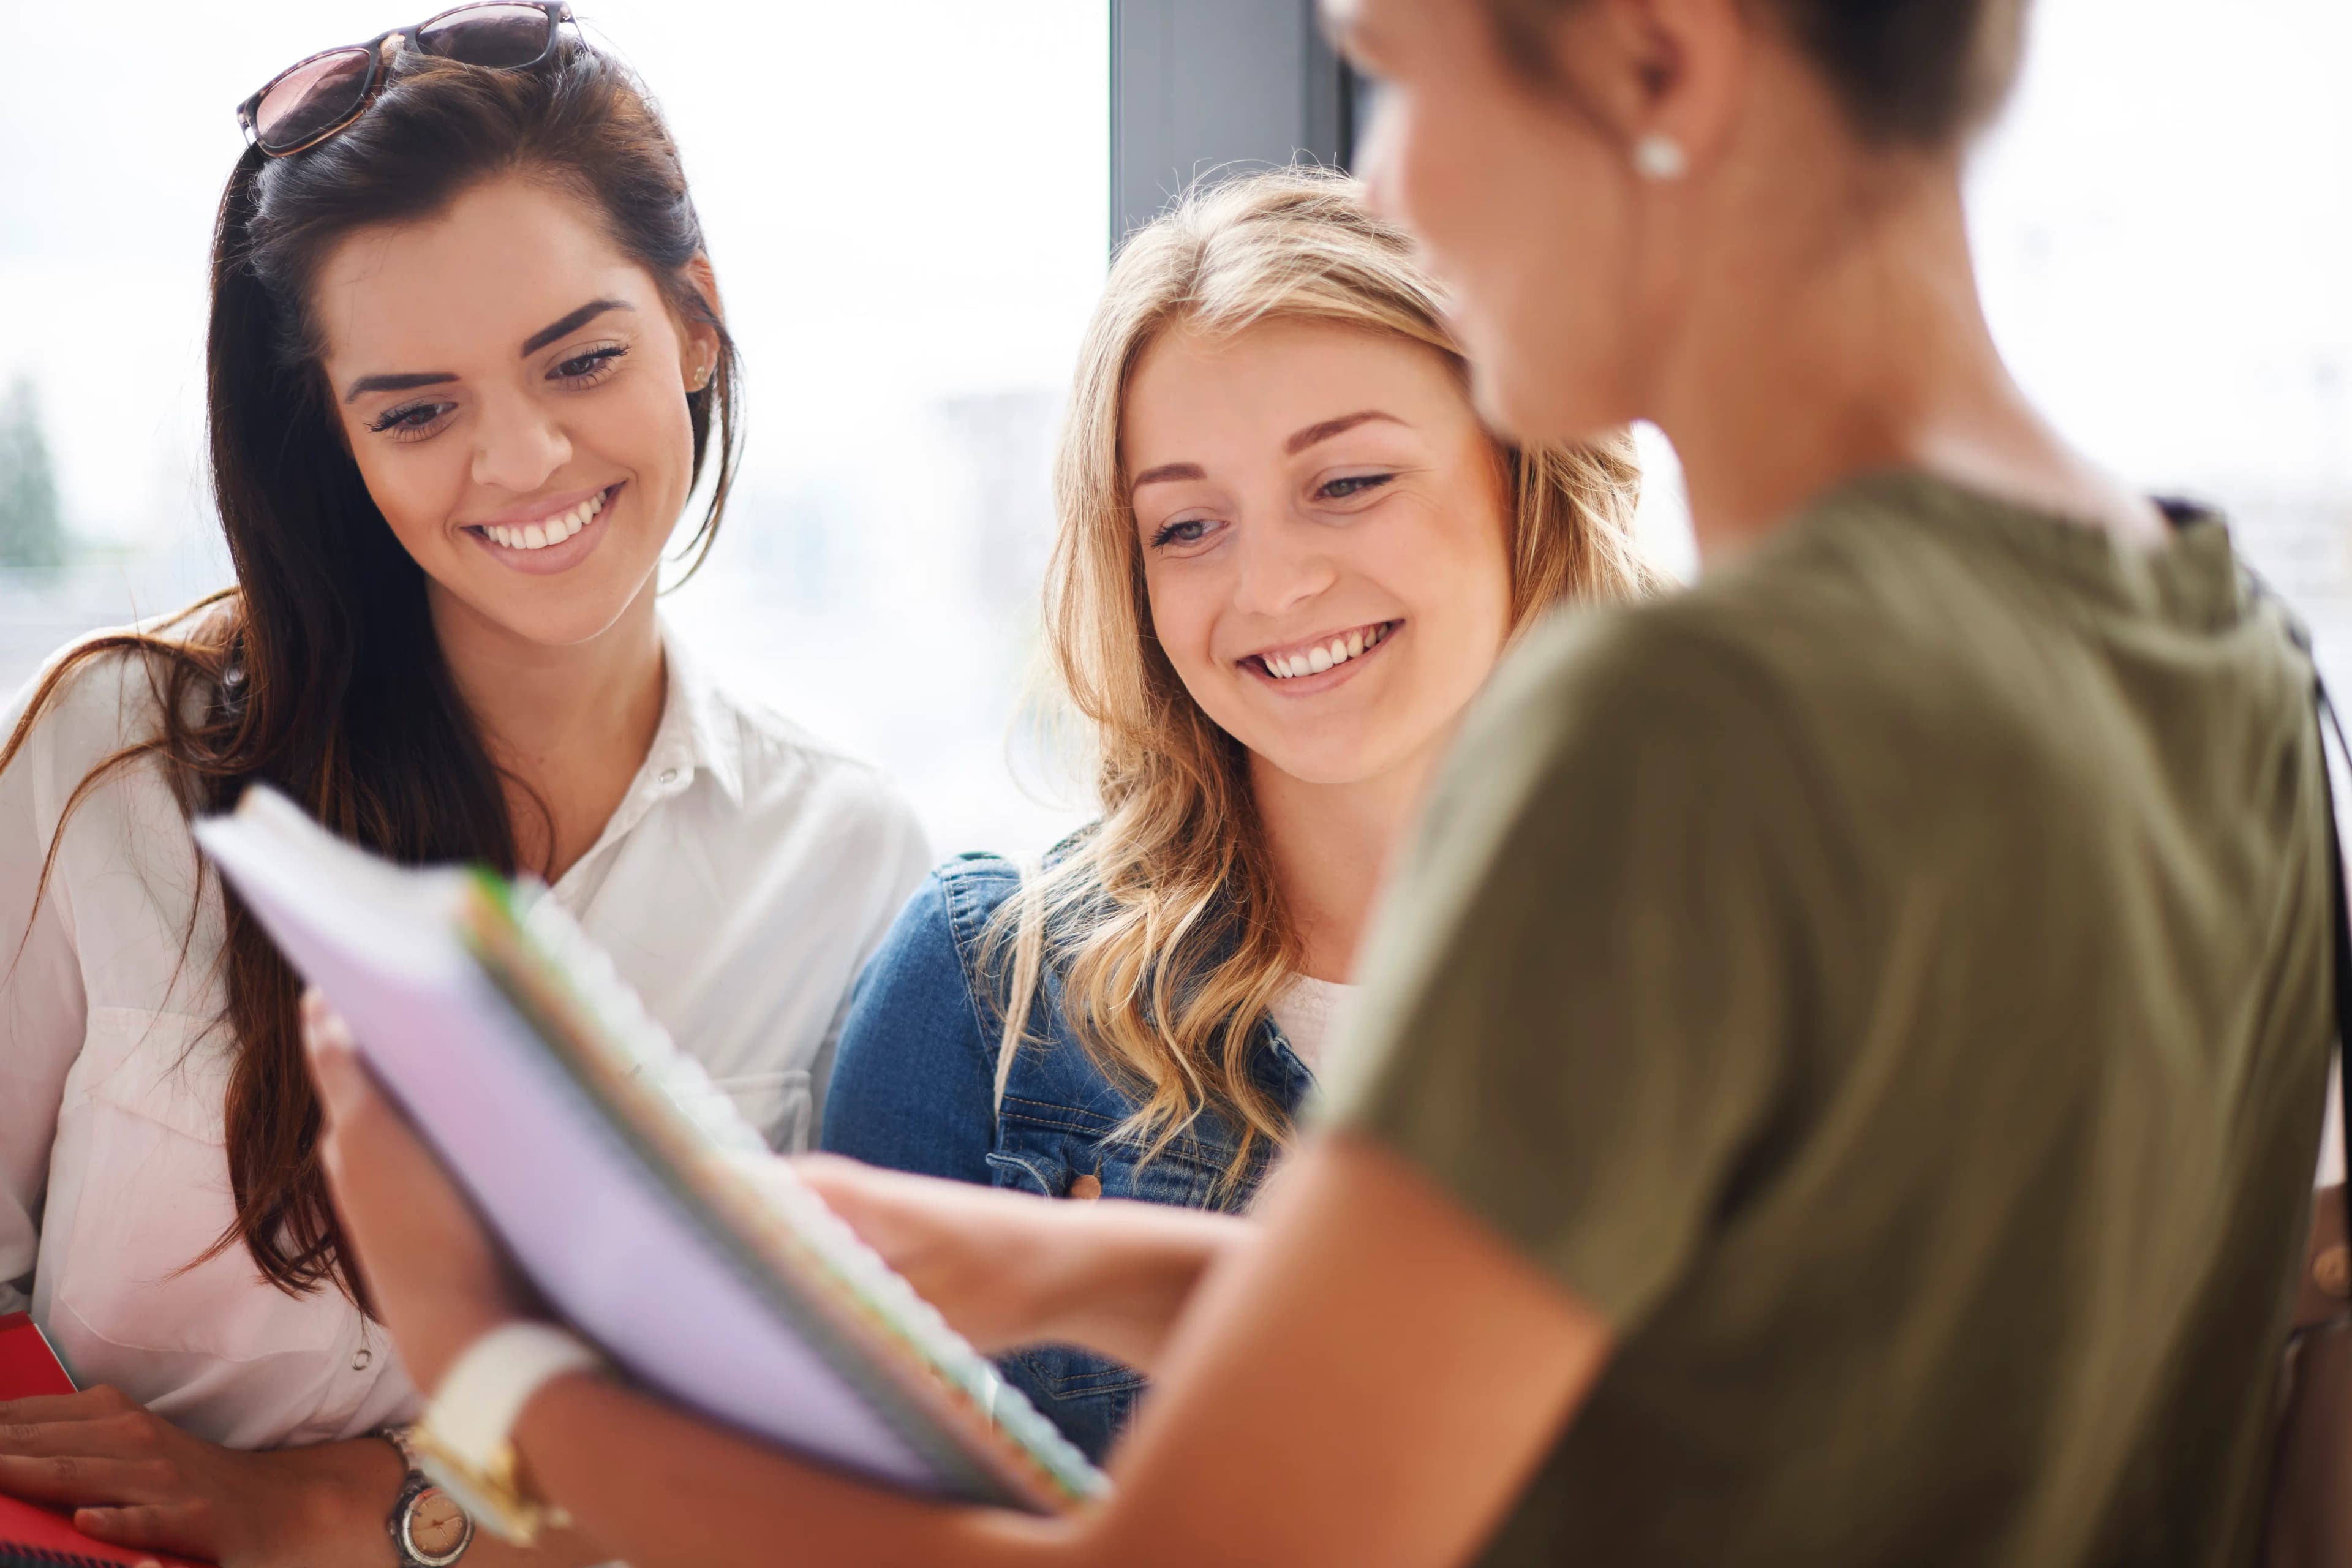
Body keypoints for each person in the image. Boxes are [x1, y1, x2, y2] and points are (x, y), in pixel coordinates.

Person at [290, 0, 2339, 1564]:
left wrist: (498, 1360)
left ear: (1654, 60)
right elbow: (1760, 1362)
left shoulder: (1687, 735)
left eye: (1402, 81)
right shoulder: (2217, 647)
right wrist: (1057, 1258)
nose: (1407, 191)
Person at [0, 11, 925, 1566]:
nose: (523, 459)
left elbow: (805, 1456)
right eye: (415, 410)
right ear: (336, 435)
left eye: (582, 357)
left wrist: (363, 1507)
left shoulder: (848, 862)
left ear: (697, 321)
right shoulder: (120, 760)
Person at [818, 166, 1657, 1460]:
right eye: (1188, 524)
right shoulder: (987, 995)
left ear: (1520, 472)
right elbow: (826, 1509)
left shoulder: (1757, 972)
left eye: (1347, 482)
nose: (1270, 585)